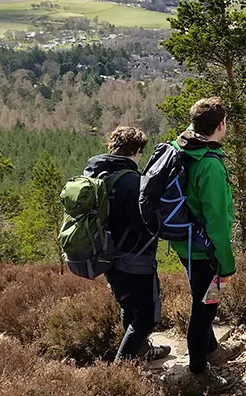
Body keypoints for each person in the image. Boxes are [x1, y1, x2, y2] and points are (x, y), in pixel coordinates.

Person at [169, 97, 244, 392]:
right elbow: (217, 221)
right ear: (221, 125)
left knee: (201, 298)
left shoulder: (182, 146)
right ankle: (199, 370)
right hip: (204, 249)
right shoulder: (210, 166)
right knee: (204, 311)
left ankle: (212, 350)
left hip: (185, 242)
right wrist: (226, 262)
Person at [85, 126, 169, 363]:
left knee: (128, 306)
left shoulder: (97, 175)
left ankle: (141, 350)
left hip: (105, 254)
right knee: (147, 316)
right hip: (135, 258)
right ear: (139, 150)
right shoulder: (133, 182)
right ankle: (122, 367)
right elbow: (146, 222)